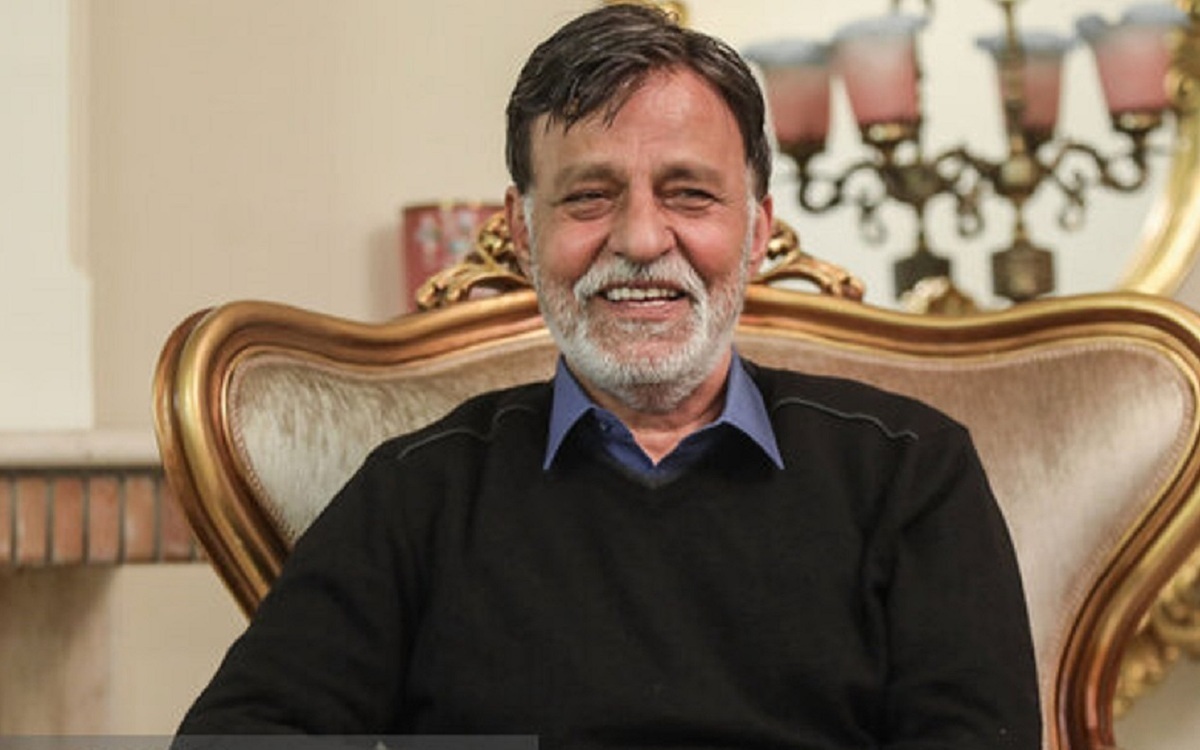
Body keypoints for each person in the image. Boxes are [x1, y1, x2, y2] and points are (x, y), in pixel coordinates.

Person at [177, 5, 1041, 748]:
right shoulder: (417, 494)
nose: (640, 239)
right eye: (589, 196)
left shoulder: (910, 473)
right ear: (522, 232)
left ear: (755, 232)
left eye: (689, 194)